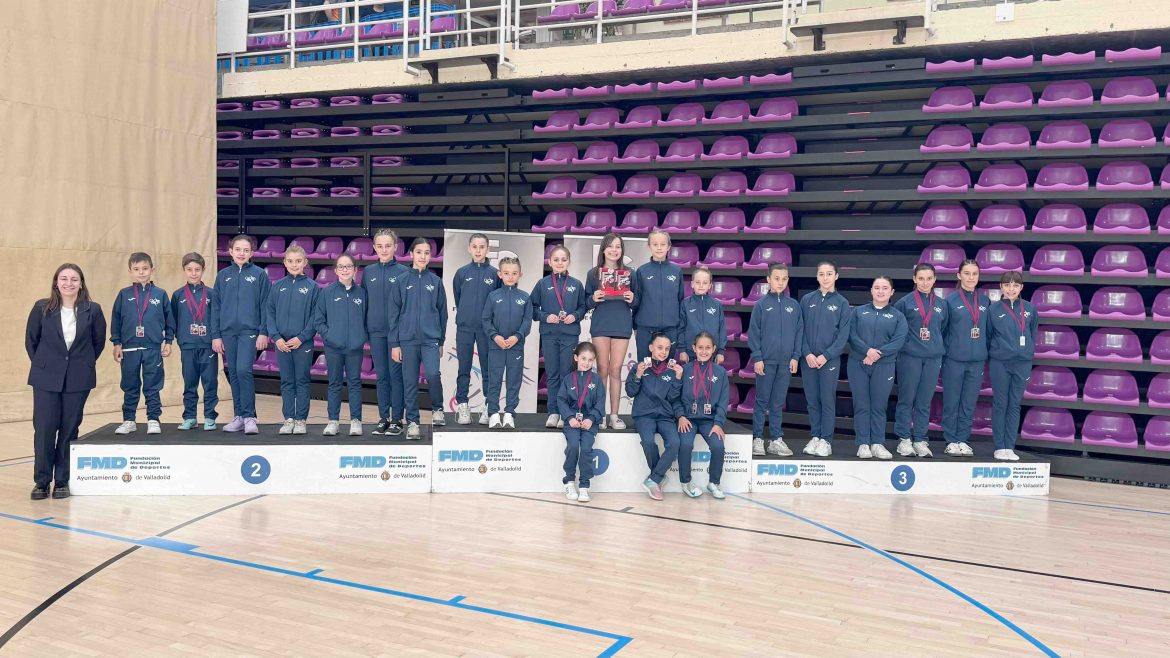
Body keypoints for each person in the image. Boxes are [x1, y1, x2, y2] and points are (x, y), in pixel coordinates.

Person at [26, 264, 107, 500]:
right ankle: (41, 482)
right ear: (56, 282)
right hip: (45, 377)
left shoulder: (93, 310)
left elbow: (97, 343)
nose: (69, 283)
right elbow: (32, 341)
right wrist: (47, 365)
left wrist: (79, 365)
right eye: (64, 278)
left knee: (69, 430)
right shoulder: (41, 308)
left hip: (78, 378)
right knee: (44, 430)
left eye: (74, 279)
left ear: (81, 283)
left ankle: (62, 480)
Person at [389, 237, 448, 440]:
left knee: (433, 374)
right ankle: (412, 421)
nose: (423, 256)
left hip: (430, 340)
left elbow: (443, 313)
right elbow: (393, 315)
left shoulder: (436, 282)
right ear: (411, 254)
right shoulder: (401, 281)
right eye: (419, 252)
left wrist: (440, 340)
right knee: (410, 382)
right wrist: (395, 344)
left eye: (427, 252)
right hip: (407, 340)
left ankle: (438, 409)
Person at [111, 252, 174, 435]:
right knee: (130, 385)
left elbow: (169, 321)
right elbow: (116, 321)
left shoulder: (160, 294)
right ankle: (129, 419)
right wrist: (117, 343)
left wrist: (168, 341)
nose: (141, 272)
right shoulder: (124, 294)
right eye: (137, 269)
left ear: (152, 270)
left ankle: (153, 419)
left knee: (153, 385)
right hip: (129, 348)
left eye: (145, 269)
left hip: (152, 348)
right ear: (130, 272)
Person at [214, 234, 270, 435]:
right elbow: (216, 307)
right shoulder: (223, 275)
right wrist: (216, 335)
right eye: (238, 249)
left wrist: (263, 332)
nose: (241, 253)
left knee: (244, 370)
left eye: (246, 250)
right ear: (230, 251)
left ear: (252, 253)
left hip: (249, 332)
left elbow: (266, 306)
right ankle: (238, 416)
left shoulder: (259, 275)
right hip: (228, 332)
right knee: (235, 373)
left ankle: (250, 417)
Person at [848, 276, 908, 459]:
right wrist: (867, 351)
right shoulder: (858, 312)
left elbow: (899, 340)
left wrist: (877, 354)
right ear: (871, 291)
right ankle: (863, 443)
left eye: (884, 288)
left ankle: (878, 443)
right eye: (877, 287)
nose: (880, 291)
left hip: (884, 365)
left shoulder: (898, 316)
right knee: (861, 404)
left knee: (879, 406)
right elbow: (851, 335)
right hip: (859, 363)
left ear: (892, 292)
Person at [892, 263, 949, 458]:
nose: (925, 282)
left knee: (925, 401)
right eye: (921, 278)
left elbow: (943, 328)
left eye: (929, 278)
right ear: (914, 279)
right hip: (910, 357)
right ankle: (904, 439)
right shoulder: (904, 303)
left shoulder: (942, 304)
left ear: (934, 280)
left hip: (933, 358)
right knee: (907, 399)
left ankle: (921, 439)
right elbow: (896, 330)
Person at [748, 264, 804, 457]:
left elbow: (799, 334)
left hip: (785, 363)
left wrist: (795, 357)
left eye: (784, 278)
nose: (780, 282)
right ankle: (757, 438)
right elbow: (753, 334)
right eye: (777, 278)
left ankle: (776, 439)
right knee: (762, 401)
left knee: (778, 402)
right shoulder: (761, 306)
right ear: (768, 279)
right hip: (766, 362)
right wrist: (757, 357)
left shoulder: (793, 306)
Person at [531, 244, 586, 429]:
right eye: (556, 259)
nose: (560, 263)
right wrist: (545, 316)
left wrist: (575, 316)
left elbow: (583, 307)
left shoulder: (576, 284)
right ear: (550, 262)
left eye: (563, 259)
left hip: (570, 335)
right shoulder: (543, 283)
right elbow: (532, 308)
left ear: (569, 261)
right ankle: (553, 412)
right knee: (552, 375)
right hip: (549, 335)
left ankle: (566, 413)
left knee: (568, 375)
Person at [800, 261, 851, 454]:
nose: (826, 278)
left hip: (829, 361)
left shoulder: (842, 303)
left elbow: (843, 336)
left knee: (827, 399)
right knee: (812, 400)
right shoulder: (807, 300)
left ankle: (826, 440)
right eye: (822, 274)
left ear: (836, 276)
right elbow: (800, 330)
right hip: (809, 360)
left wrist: (826, 355)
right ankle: (815, 436)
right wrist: (807, 353)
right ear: (817, 276)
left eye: (829, 274)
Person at [266, 244, 318, 435]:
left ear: (305, 262)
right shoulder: (277, 286)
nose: (294, 264)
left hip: (302, 343)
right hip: (282, 344)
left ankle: (301, 419)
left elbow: (316, 317)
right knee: (287, 381)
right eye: (290, 261)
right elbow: (269, 313)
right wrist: (277, 338)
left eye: (298, 261)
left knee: (302, 380)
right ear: (284, 262)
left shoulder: (313, 288)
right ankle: (288, 418)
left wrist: (302, 338)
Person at [585, 233, 635, 430]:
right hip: (601, 325)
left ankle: (614, 415)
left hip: (622, 324)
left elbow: (637, 302)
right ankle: (599, 414)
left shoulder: (630, 273)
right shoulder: (593, 274)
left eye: (618, 247)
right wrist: (593, 298)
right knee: (602, 370)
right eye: (611, 246)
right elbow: (585, 302)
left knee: (615, 370)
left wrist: (632, 297)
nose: (615, 250)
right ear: (603, 249)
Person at [625, 332, 683, 501]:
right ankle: (656, 478)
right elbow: (630, 392)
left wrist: (678, 378)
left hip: (665, 416)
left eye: (667, 349)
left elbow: (673, 398)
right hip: (644, 415)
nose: (663, 352)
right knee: (649, 442)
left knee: (675, 443)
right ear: (651, 348)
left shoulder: (672, 371)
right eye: (659, 347)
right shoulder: (639, 367)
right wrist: (637, 376)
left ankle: (654, 479)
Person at [362, 228, 409, 436]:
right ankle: (384, 418)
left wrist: (400, 335)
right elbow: (364, 303)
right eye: (379, 246)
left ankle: (398, 419)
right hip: (376, 333)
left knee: (396, 376)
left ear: (395, 247)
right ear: (374, 248)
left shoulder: (403, 272)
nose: (384, 249)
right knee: (381, 376)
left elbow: (406, 307)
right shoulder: (368, 272)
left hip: (396, 336)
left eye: (388, 246)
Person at [987, 272, 1038, 461]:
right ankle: (1000, 446)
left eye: (1015, 286)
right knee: (1001, 403)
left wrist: (1027, 352)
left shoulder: (1031, 309)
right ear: (1001, 287)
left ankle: (1010, 446)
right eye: (1007, 285)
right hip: (1000, 363)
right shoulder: (993, 310)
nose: (1011, 289)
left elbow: (1033, 333)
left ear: (1021, 288)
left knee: (1014, 404)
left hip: (1022, 363)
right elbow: (988, 335)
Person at [941, 259, 990, 456]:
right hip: (954, 359)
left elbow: (989, 331)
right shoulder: (949, 302)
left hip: (977, 360)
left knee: (969, 402)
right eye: (967, 273)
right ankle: (951, 439)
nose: (971, 278)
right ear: (959, 275)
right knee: (952, 401)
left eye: (974, 274)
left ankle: (962, 438)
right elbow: (943, 331)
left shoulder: (985, 301)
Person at [316, 254, 368, 436]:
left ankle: (356, 420)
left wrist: (361, 337)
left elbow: (367, 319)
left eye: (348, 266)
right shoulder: (327, 292)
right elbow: (319, 320)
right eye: (341, 266)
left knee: (354, 383)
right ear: (335, 270)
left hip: (355, 348)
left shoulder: (362, 294)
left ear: (355, 270)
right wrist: (329, 337)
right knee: (334, 384)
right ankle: (333, 421)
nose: (345, 270)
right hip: (333, 347)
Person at [453, 233, 500, 425]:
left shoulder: (494, 274)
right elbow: (458, 297)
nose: (478, 250)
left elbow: (497, 302)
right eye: (475, 247)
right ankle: (463, 405)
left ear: (488, 249)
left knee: (488, 369)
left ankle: (489, 407)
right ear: (469, 248)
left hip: (486, 330)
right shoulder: (462, 273)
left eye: (482, 247)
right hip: (465, 328)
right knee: (463, 368)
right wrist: (465, 317)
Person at [170, 253, 219, 431]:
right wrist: (177, 339)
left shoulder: (212, 294)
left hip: (208, 345)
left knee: (210, 382)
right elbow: (173, 319)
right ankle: (190, 416)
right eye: (189, 270)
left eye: (197, 270)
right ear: (184, 271)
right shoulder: (177, 295)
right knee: (190, 382)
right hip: (188, 345)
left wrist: (215, 338)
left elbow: (216, 319)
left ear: (203, 270)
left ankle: (209, 416)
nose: (193, 273)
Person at [678, 332, 730, 500]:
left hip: (710, 421)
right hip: (688, 419)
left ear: (714, 349)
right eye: (700, 347)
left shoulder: (720, 372)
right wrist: (680, 416)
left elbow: (723, 401)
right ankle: (686, 482)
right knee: (685, 444)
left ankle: (713, 482)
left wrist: (718, 423)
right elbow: (674, 397)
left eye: (708, 348)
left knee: (718, 446)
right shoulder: (684, 370)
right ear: (694, 348)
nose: (704, 351)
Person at [482, 256, 532, 429]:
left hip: (515, 347)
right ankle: (493, 413)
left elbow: (527, 322)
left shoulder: (525, 297)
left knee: (514, 380)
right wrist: (495, 337)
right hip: (496, 346)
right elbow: (486, 320)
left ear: (520, 274)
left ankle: (509, 412)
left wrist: (516, 337)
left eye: (514, 273)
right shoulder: (493, 296)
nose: (510, 276)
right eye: (506, 273)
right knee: (494, 379)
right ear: (500, 274)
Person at [559, 341, 605, 503]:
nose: (587, 363)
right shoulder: (567, 379)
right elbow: (561, 401)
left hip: (589, 423)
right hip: (571, 422)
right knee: (573, 445)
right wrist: (570, 418)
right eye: (584, 358)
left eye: (590, 360)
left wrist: (591, 419)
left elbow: (600, 402)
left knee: (586, 448)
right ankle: (569, 481)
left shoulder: (597, 380)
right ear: (576, 358)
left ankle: (584, 485)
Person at [631, 229, 683, 361]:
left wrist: (679, 326)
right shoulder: (642, 271)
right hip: (645, 329)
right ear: (649, 247)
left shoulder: (676, 271)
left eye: (663, 244)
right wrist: (635, 326)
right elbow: (637, 300)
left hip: (671, 329)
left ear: (668, 247)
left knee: (667, 371)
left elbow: (680, 299)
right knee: (644, 369)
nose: (659, 248)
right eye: (655, 244)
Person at [677, 265, 726, 365]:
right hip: (690, 352)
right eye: (697, 282)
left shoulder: (717, 305)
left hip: (711, 353)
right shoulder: (685, 304)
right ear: (692, 284)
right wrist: (682, 350)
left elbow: (722, 329)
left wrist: (720, 351)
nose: (701, 285)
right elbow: (680, 328)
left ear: (710, 285)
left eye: (705, 283)